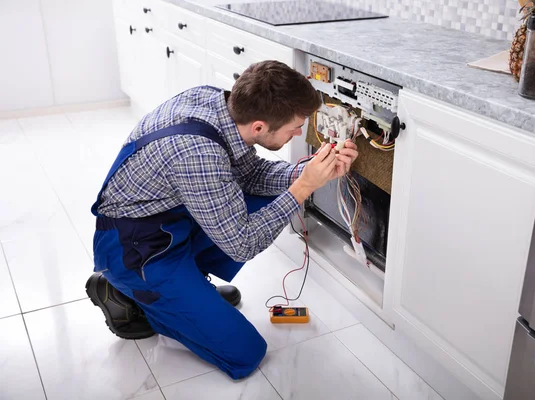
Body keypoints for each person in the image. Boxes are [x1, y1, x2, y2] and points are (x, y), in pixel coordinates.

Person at [85, 60, 359, 380]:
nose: (300, 133)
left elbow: (252, 175)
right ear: (259, 127)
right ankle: (128, 295)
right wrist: (304, 188)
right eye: (295, 127)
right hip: (133, 249)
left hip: (170, 221)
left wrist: (312, 171)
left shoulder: (220, 103)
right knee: (245, 353)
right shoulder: (198, 151)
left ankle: (187, 284)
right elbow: (241, 243)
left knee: (271, 196)